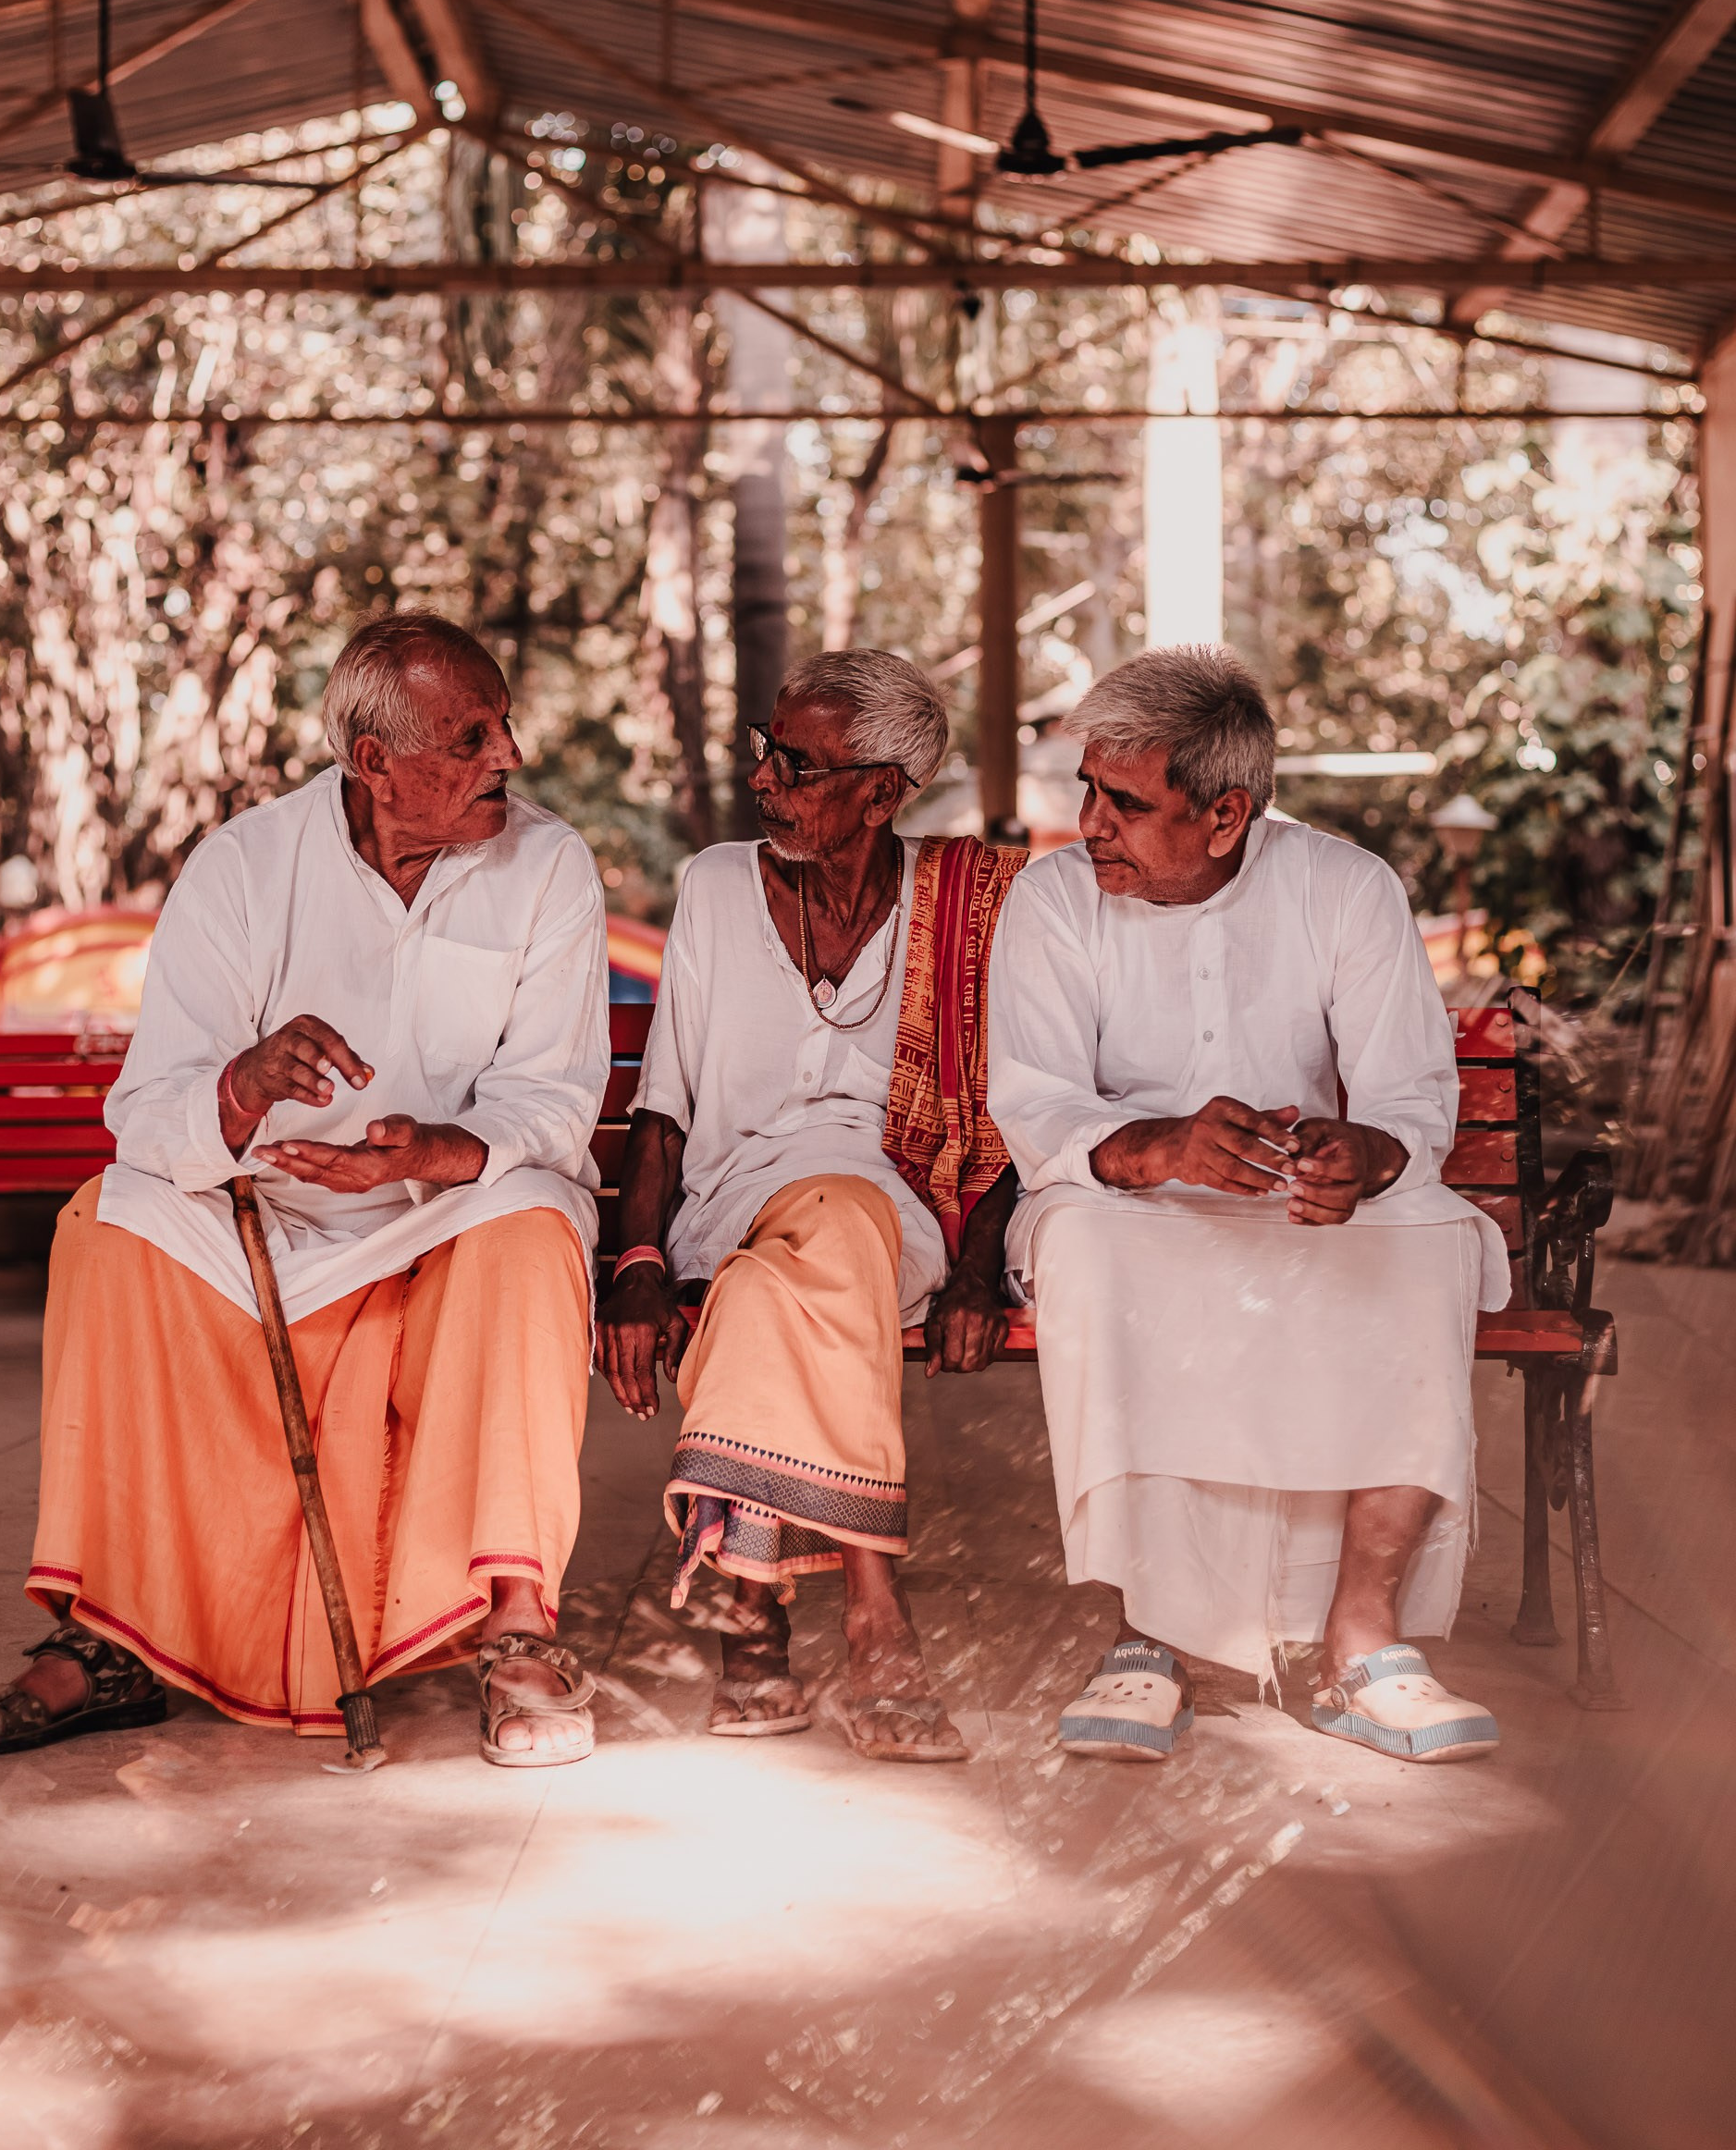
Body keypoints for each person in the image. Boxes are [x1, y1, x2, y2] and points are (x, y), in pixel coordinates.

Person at [0, 615, 610, 1769]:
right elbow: (146, 1114)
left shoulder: (548, 866)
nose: (509, 757)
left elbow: (553, 1101)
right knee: (108, 1223)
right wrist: (242, 1091)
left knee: (537, 1222)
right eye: (473, 735)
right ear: (370, 760)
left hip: (445, 1209)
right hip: (266, 1218)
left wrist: (423, 1153)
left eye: (504, 727)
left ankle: (515, 1624)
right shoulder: (243, 866)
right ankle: (113, 1638)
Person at [989, 646, 1505, 1767]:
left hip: (1301, 1207)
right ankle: (1148, 1639)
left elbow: (1410, 1102)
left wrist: (1358, 1156)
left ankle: (1362, 1643)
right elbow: (1033, 1107)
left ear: (1226, 815)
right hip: (1125, 1203)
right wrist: (1160, 1147)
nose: (1090, 823)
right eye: (1087, 789)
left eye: (1124, 802)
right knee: (1097, 1252)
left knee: (1432, 1244)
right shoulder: (1052, 901)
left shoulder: (1346, 887)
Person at [597, 651, 1022, 1762]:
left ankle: (761, 1614)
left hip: (900, 1213)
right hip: (730, 1209)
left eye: (798, 764)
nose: (765, 782)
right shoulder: (715, 886)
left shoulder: (971, 906)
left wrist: (979, 1267)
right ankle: (871, 1616)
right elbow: (666, 1104)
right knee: (757, 1280)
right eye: (765, 751)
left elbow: (1016, 1118)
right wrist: (638, 1257)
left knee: (825, 1231)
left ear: (883, 792)